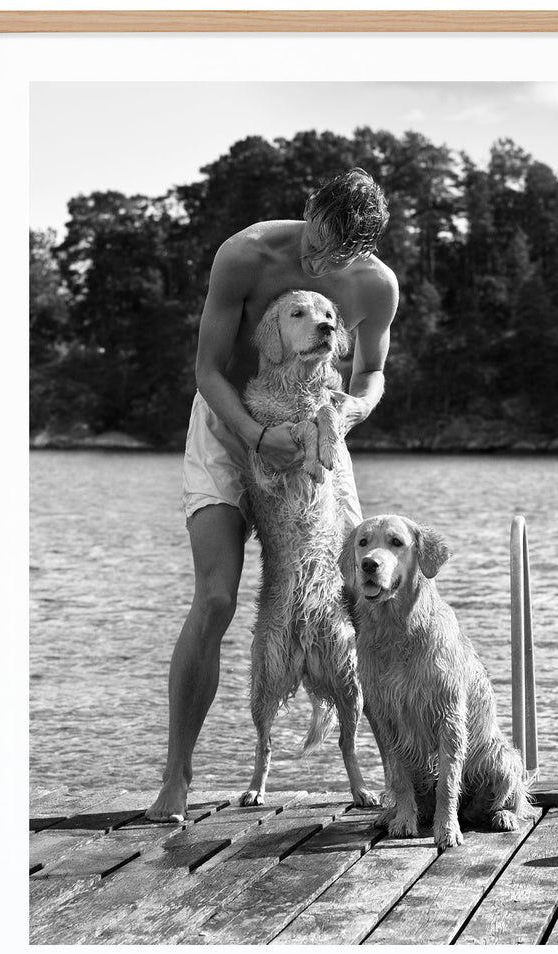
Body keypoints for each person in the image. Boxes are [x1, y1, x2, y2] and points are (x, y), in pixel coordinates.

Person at [146, 167, 399, 821]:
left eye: (337, 254)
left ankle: (391, 773)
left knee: (361, 596)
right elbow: (206, 368)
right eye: (316, 239)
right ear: (309, 205)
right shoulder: (246, 252)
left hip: (317, 429)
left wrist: (348, 416)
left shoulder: (375, 285)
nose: (318, 260)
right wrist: (257, 436)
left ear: (361, 249)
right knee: (216, 597)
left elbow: (369, 371)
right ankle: (176, 776)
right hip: (228, 424)